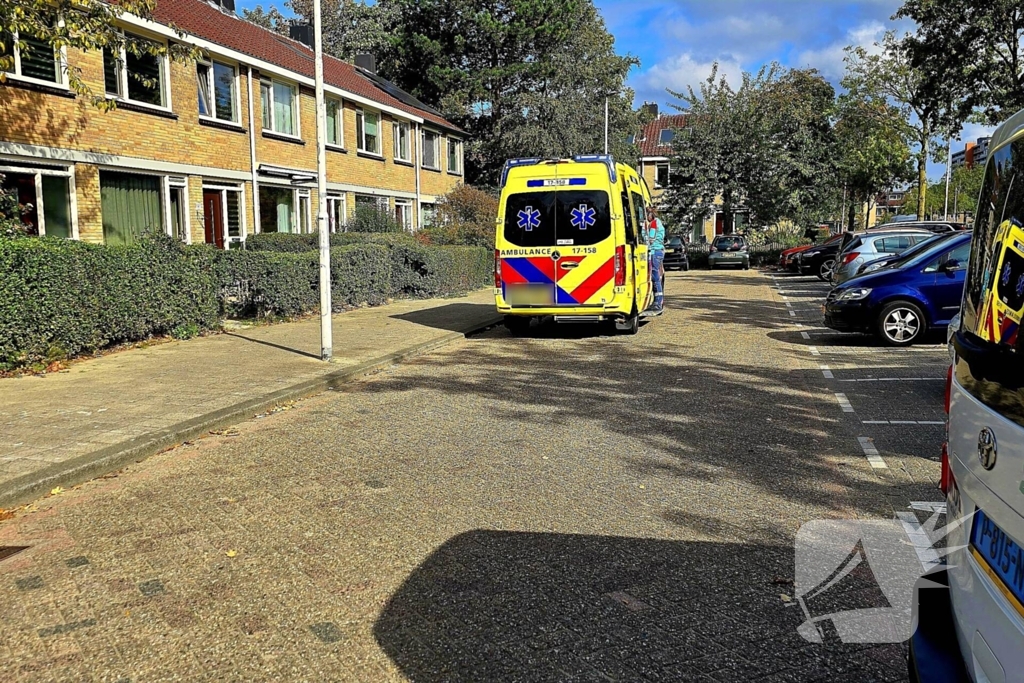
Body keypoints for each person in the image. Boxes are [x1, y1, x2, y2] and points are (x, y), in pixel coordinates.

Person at [645, 206, 666, 313]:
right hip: (659, 251)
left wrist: (644, 235)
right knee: (658, 275)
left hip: (654, 251)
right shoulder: (659, 223)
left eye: (646, 215)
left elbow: (651, 239)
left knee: (655, 276)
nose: (646, 218)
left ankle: (657, 301)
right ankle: (659, 300)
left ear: (650, 215)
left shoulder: (653, 223)